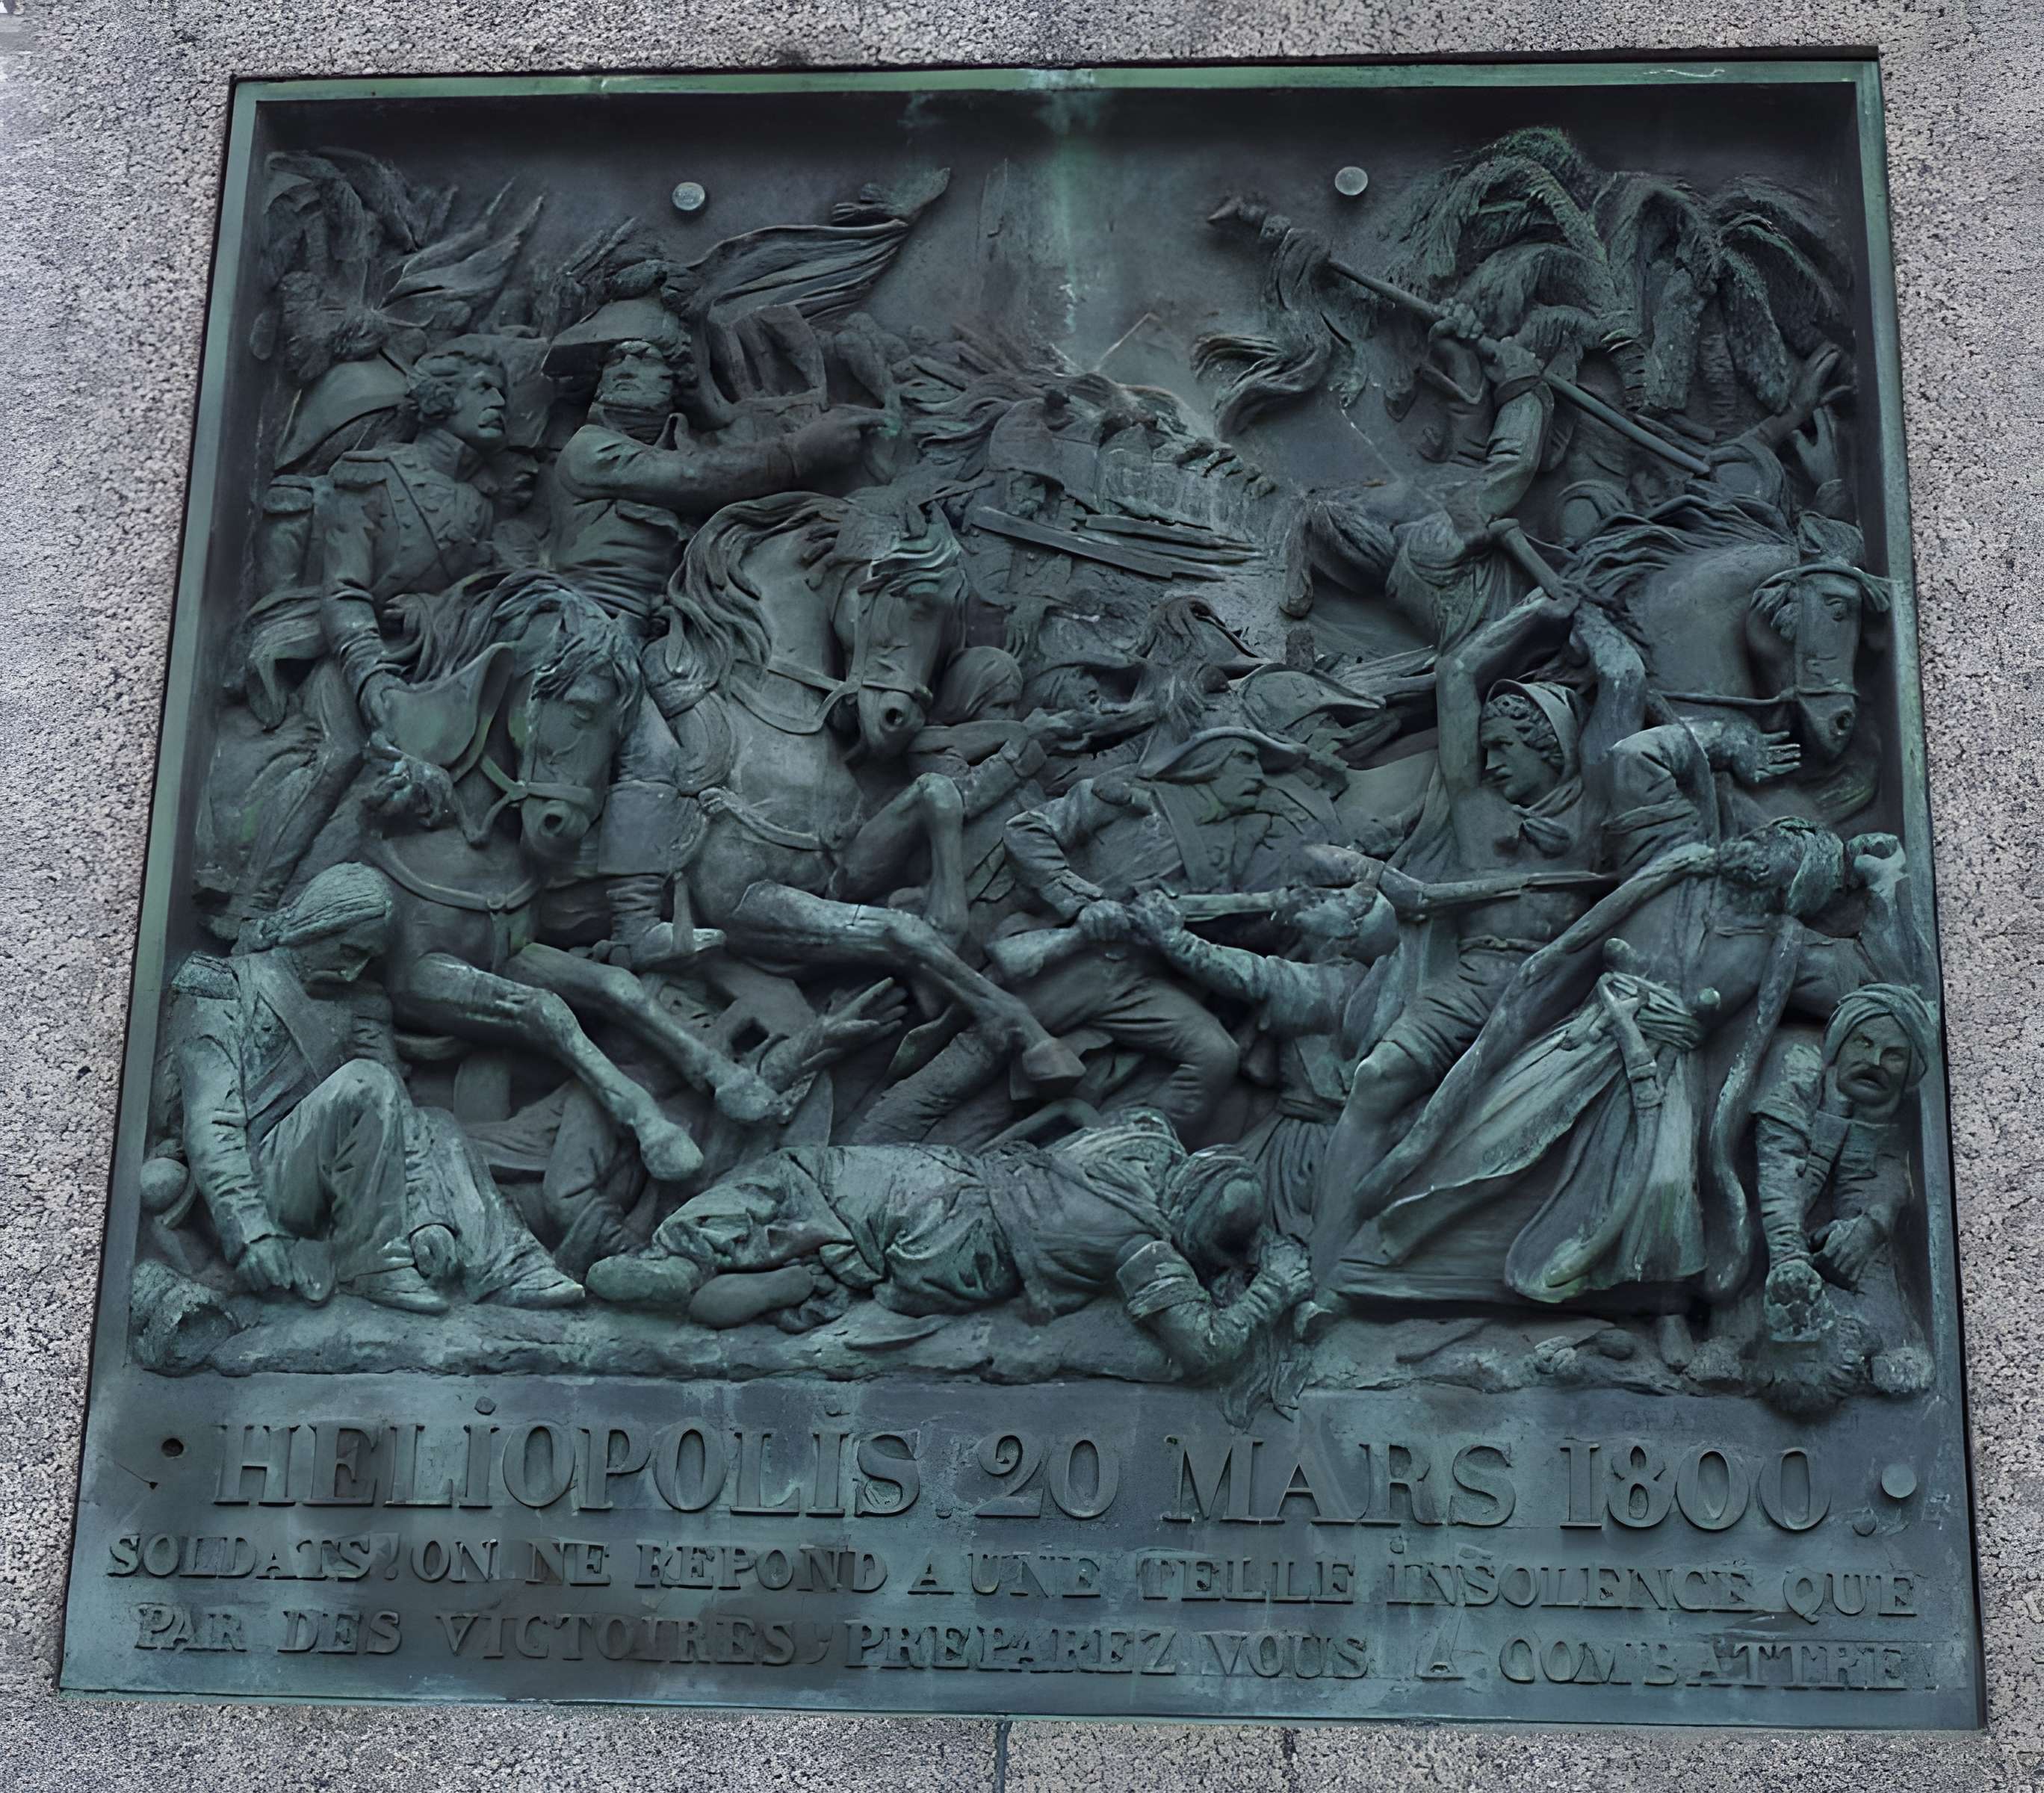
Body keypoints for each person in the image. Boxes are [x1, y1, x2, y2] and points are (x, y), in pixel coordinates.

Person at [1321, 811, 1927, 1363]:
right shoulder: (1679, 876)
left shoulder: (1786, 945)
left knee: (1665, 1193)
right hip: (1587, 1042)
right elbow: (1581, 942)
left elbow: (1895, 992)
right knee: (1487, 1142)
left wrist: (1886, 883)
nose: (1758, 846)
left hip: (1663, 1079)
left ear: (1797, 884)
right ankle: (1384, 1262)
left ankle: (1655, 1309)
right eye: (1768, 836)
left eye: (1782, 850)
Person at [585, 1115, 1311, 1382]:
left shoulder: (1144, 1134)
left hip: (945, 1178)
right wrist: (1273, 1282)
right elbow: (1209, 1350)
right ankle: (807, 1273)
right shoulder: (1148, 1251)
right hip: (965, 1253)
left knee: (797, 1170)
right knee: (835, 1231)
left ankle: (683, 1257)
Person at [155, 864, 581, 1314]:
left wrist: (427, 1219)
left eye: (367, 959)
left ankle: (506, 1265)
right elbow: (211, 1122)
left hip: (336, 1182)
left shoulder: (364, 1004)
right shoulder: (221, 985)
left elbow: (403, 1123)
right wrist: (249, 1232)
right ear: (317, 927)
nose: (352, 970)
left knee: (438, 1124)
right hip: (252, 1184)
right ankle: (372, 1263)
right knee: (365, 1082)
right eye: (349, 951)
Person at [1735, 981, 1939, 1406]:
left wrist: (1868, 1227)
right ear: (1840, 1042)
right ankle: (1739, 1336)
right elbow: (1780, 1172)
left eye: (1894, 1055)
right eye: (1863, 1043)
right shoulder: (1794, 1066)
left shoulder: (1890, 1102)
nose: (1875, 1061)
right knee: (1747, 1283)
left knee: (1877, 1289)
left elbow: (1883, 1175)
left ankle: (1871, 1335)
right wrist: (1789, 1259)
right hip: (1764, 1222)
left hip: (1832, 1228)